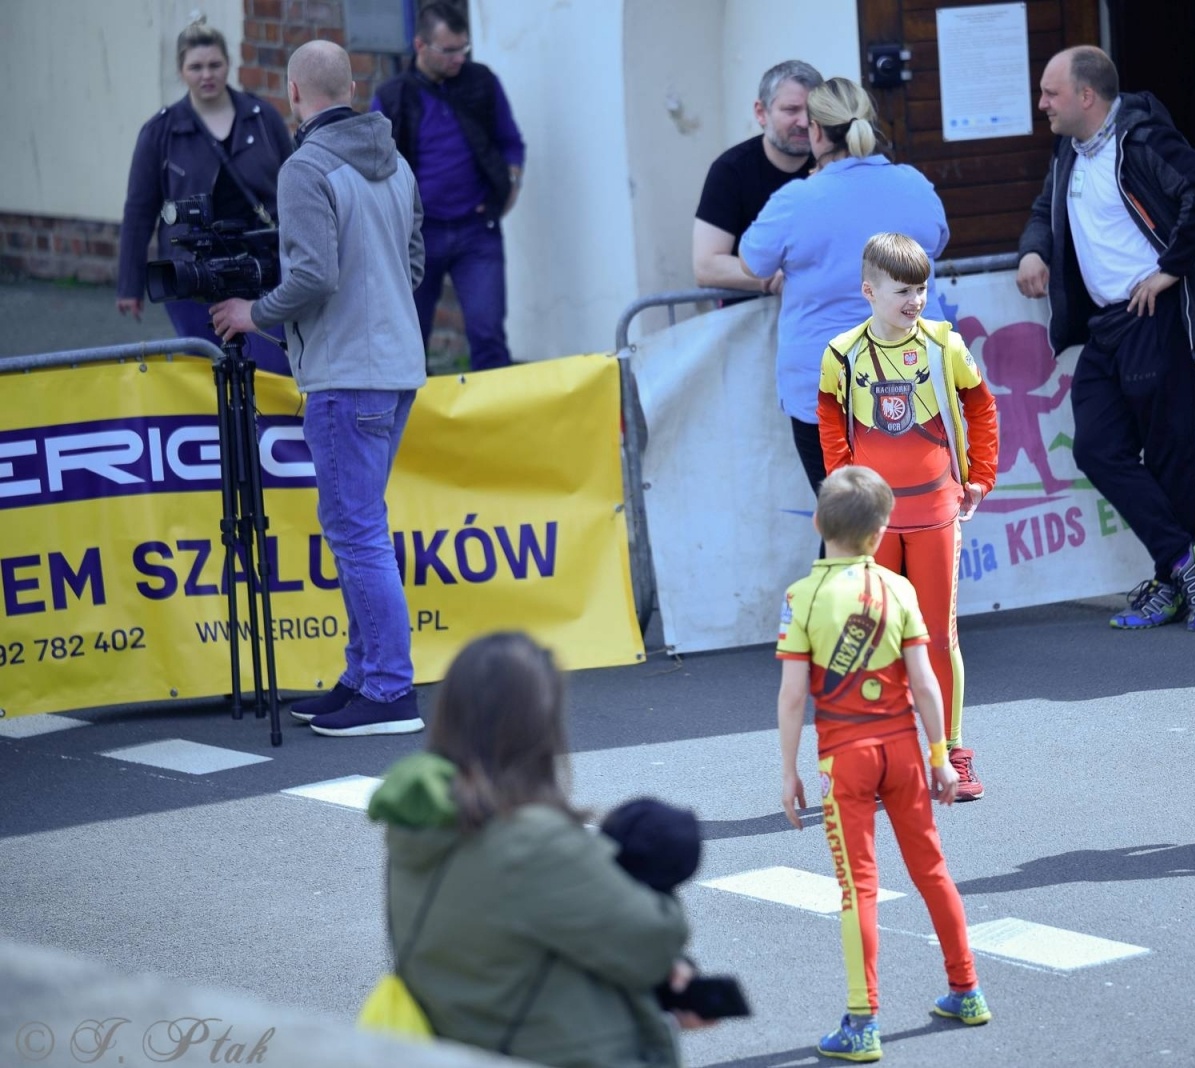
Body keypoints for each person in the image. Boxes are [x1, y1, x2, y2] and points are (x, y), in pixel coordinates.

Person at [210, 40, 426, 738]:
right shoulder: (395, 163)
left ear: (293, 93)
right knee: (364, 525)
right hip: (395, 369)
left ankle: (389, 690)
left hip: (344, 375)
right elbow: (413, 264)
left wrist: (251, 313)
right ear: (350, 86)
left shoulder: (306, 166)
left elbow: (312, 277)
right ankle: (364, 676)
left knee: (356, 532)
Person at [366, 632, 699, 1067]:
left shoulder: (419, 822)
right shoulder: (532, 843)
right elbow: (651, 940)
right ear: (539, 727)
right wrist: (645, 865)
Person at [1017, 46, 1195, 630]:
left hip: (1154, 315)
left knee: (1170, 453)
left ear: (1086, 96)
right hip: (1105, 325)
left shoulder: (1142, 139)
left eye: (1051, 93)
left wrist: (1170, 267)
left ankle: (1175, 583)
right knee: (1097, 448)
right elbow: (1045, 208)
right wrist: (1032, 248)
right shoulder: (1068, 150)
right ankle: (1184, 563)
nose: (1042, 102)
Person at [777, 465, 991, 1063]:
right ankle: (965, 988)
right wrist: (941, 755)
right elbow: (925, 682)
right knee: (933, 871)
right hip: (903, 751)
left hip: (845, 758)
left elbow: (794, 695)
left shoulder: (803, 597)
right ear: (881, 533)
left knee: (859, 890)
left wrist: (789, 770)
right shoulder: (900, 591)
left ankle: (862, 1021)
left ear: (819, 523)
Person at [817, 234, 998, 802]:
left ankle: (951, 753)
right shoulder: (841, 353)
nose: (915, 300)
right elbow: (828, 420)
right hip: (873, 524)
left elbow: (981, 405)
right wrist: (847, 491)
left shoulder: (946, 345)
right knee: (870, 638)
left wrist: (981, 476)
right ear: (869, 291)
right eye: (902, 291)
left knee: (938, 640)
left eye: (921, 288)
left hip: (937, 514)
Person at [740, 77, 948, 496]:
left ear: (816, 131)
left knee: (850, 528)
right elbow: (938, 241)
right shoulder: (913, 183)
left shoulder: (797, 199)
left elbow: (752, 261)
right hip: (916, 376)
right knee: (910, 516)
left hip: (831, 388)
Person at [117, 17, 294, 376]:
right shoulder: (160, 131)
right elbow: (139, 211)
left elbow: (295, 186)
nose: (206, 74)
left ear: (228, 64)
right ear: (181, 71)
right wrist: (129, 284)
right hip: (193, 276)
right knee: (209, 375)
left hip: (261, 270)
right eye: (195, 67)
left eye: (215, 65)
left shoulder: (263, 118)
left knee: (273, 370)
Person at [373, 2, 525, 372]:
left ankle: (497, 417)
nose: (459, 58)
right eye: (449, 50)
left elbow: (511, 144)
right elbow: (374, 165)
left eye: (464, 49)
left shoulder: (481, 82)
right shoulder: (392, 96)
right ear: (420, 46)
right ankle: (413, 422)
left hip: (477, 231)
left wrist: (506, 193)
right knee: (409, 337)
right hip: (418, 237)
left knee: (488, 332)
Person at [692, 59, 822, 298]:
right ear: (761, 113)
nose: (804, 122)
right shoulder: (730, 170)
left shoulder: (833, 164)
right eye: (791, 110)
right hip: (750, 324)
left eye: (813, 112)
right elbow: (706, 265)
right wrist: (774, 276)